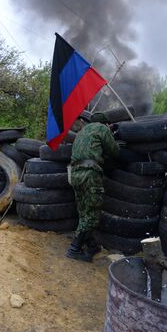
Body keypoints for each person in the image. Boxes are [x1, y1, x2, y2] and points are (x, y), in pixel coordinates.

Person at [66, 112, 120, 262]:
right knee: (93, 214)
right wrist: (113, 137)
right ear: (105, 123)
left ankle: (92, 245)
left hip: (75, 174)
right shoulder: (102, 129)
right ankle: (74, 249)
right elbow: (115, 151)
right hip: (90, 174)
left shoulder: (81, 132)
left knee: (84, 212)